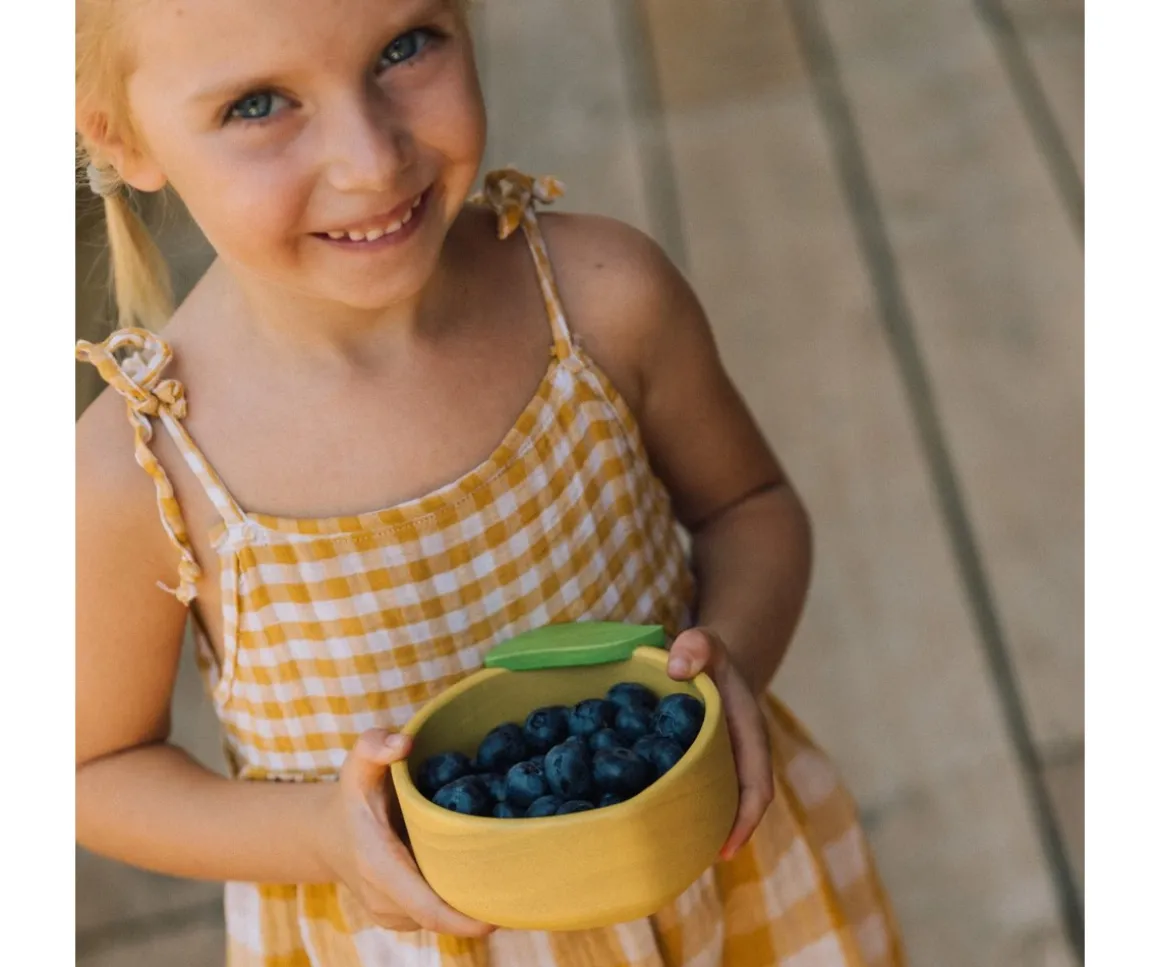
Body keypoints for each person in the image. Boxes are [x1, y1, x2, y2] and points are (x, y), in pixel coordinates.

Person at [75, 1, 905, 963]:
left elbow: (749, 510)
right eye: (260, 104)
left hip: (713, 883)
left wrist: (734, 674)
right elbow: (92, 769)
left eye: (403, 46)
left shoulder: (601, 298)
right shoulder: (142, 474)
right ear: (119, 135)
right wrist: (319, 834)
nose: (373, 160)